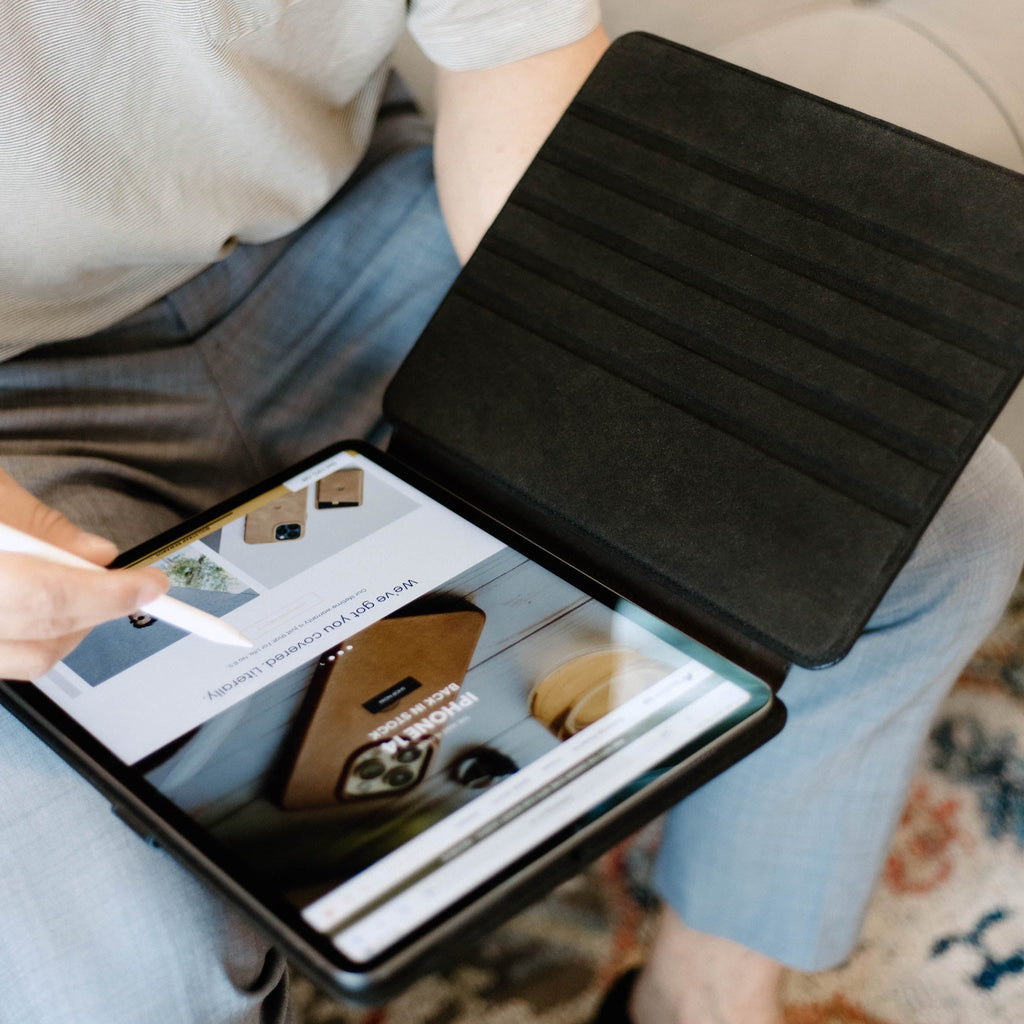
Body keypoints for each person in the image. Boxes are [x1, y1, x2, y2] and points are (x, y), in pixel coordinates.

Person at [1, 4, 1021, 1024]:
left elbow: (518, 61)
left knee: (933, 525)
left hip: (340, 229)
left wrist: (607, 381)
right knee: (134, 966)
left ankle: (699, 998)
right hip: (19, 410)